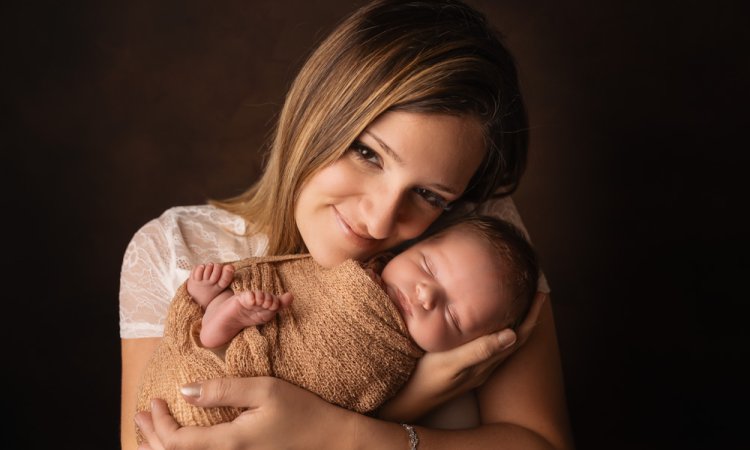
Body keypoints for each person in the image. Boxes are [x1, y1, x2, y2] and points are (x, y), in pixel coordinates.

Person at [120, 0, 575, 449]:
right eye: (369, 155)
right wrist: (414, 398)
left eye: (429, 195)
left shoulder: (475, 239)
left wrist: (351, 436)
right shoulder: (171, 250)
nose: (379, 221)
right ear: (314, 114)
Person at [134, 215, 540, 439]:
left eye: (453, 317)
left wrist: (417, 394)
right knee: (255, 319)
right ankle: (218, 316)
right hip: (233, 355)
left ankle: (221, 323)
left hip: (268, 383)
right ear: (409, 249)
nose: (426, 296)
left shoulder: (401, 357)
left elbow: (349, 397)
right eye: (427, 267)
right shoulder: (355, 272)